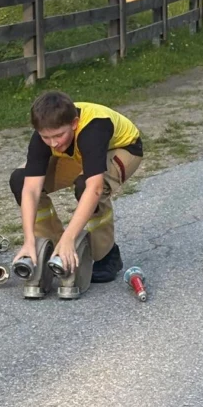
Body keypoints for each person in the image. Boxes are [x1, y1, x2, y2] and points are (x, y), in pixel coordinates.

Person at [10, 91, 143, 283]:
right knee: (20, 180)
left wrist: (70, 236)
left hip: (122, 150)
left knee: (87, 186)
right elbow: (30, 189)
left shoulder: (94, 128)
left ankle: (106, 255)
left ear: (74, 123)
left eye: (58, 135)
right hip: (80, 154)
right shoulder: (44, 135)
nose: (53, 143)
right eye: (46, 137)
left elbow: (94, 188)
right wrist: (29, 239)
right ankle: (55, 249)